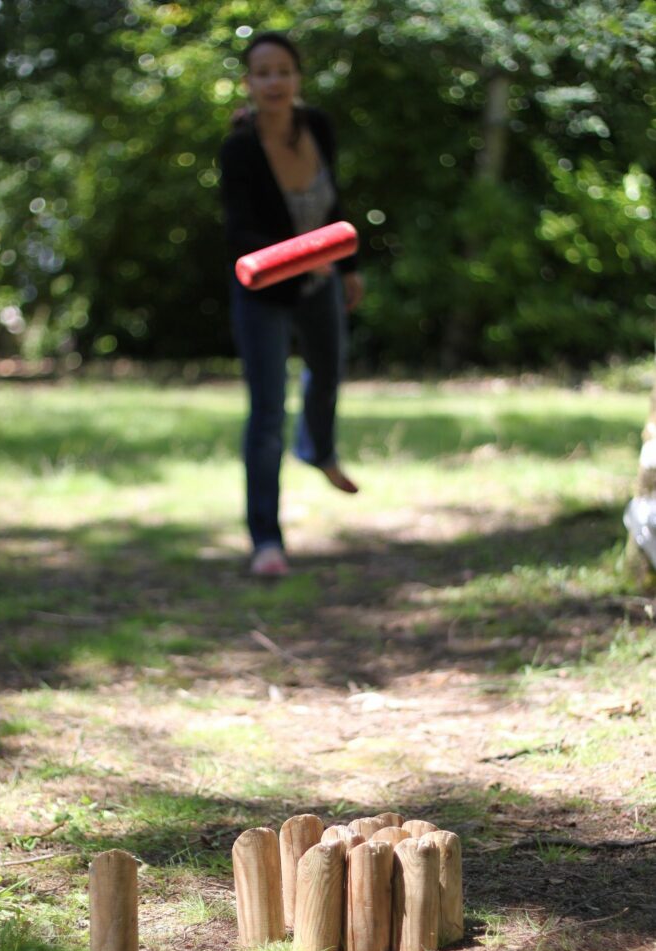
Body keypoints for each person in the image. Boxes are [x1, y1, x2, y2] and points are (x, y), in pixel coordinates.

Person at [219, 31, 364, 577]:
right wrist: (303, 258)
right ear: (249, 84)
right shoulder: (238, 149)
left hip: (322, 277)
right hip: (264, 290)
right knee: (267, 413)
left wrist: (346, 266)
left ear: (297, 78)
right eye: (263, 72)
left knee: (328, 371)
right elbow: (240, 233)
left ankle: (318, 449)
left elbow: (334, 202)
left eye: (283, 70)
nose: (274, 81)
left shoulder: (318, 126)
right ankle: (265, 541)